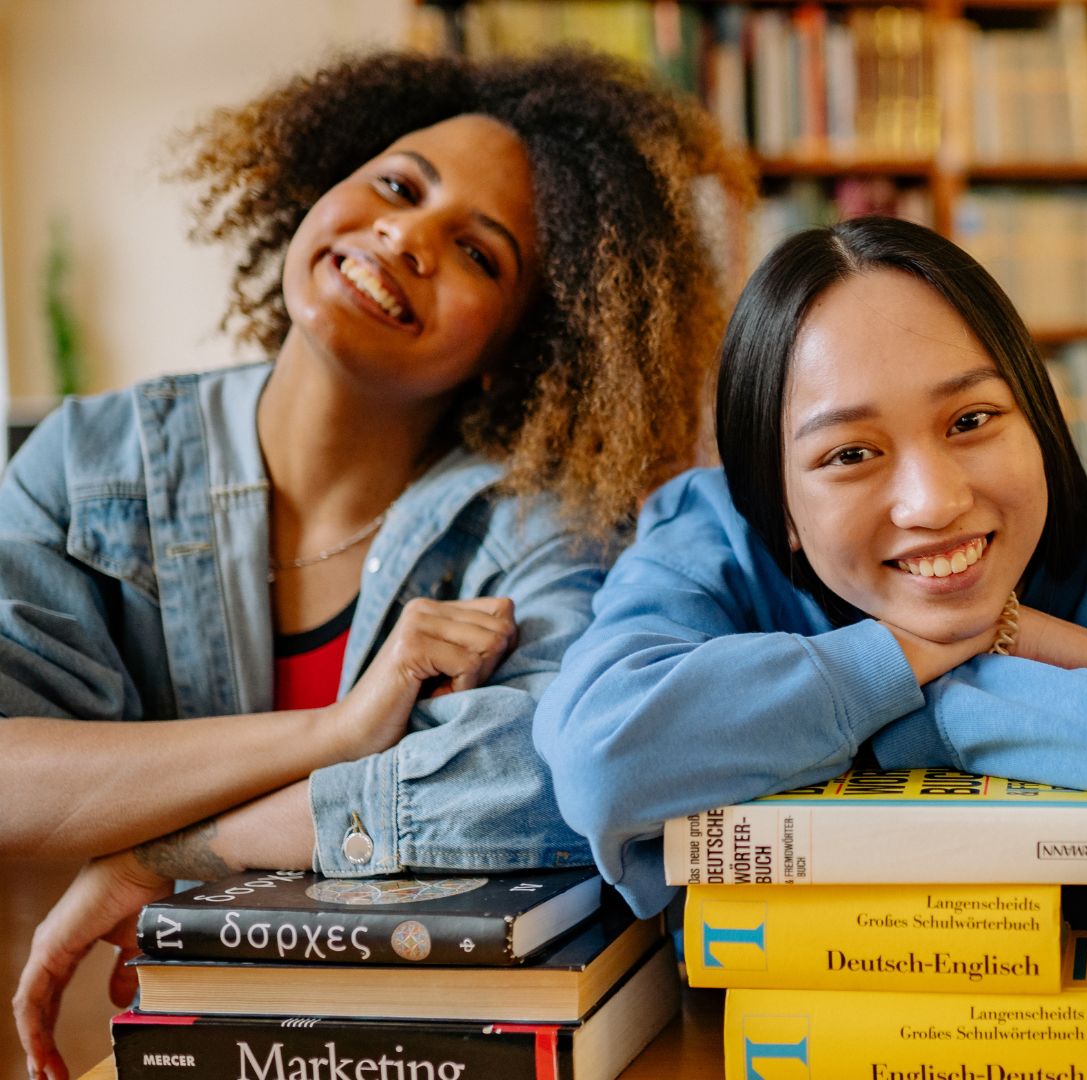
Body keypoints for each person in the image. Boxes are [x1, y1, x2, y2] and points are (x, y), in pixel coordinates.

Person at [4, 49, 750, 1079]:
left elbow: (565, 768)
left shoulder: (536, 526)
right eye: (398, 187)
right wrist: (334, 734)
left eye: (480, 254)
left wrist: (163, 853)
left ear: (514, 346)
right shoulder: (87, 468)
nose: (405, 235)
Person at [532, 215, 1087, 998]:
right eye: (850, 454)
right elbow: (607, 758)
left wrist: (909, 710)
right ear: (775, 504)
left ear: (1038, 416)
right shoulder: (711, 536)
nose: (934, 502)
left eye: (972, 420)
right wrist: (911, 659)